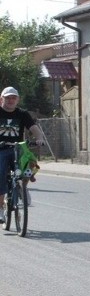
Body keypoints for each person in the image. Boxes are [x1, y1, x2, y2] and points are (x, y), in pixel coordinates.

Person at [0, 87, 45, 224]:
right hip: (1, 150)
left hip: (18, 148)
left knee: (30, 164)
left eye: (13, 98)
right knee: (0, 174)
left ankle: (23, 187)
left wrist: (39, 138)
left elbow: (34, 128)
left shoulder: (22, 114)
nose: (10, 100)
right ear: (2, 99)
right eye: (7, 98)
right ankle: (1, 208)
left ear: (17, 100)